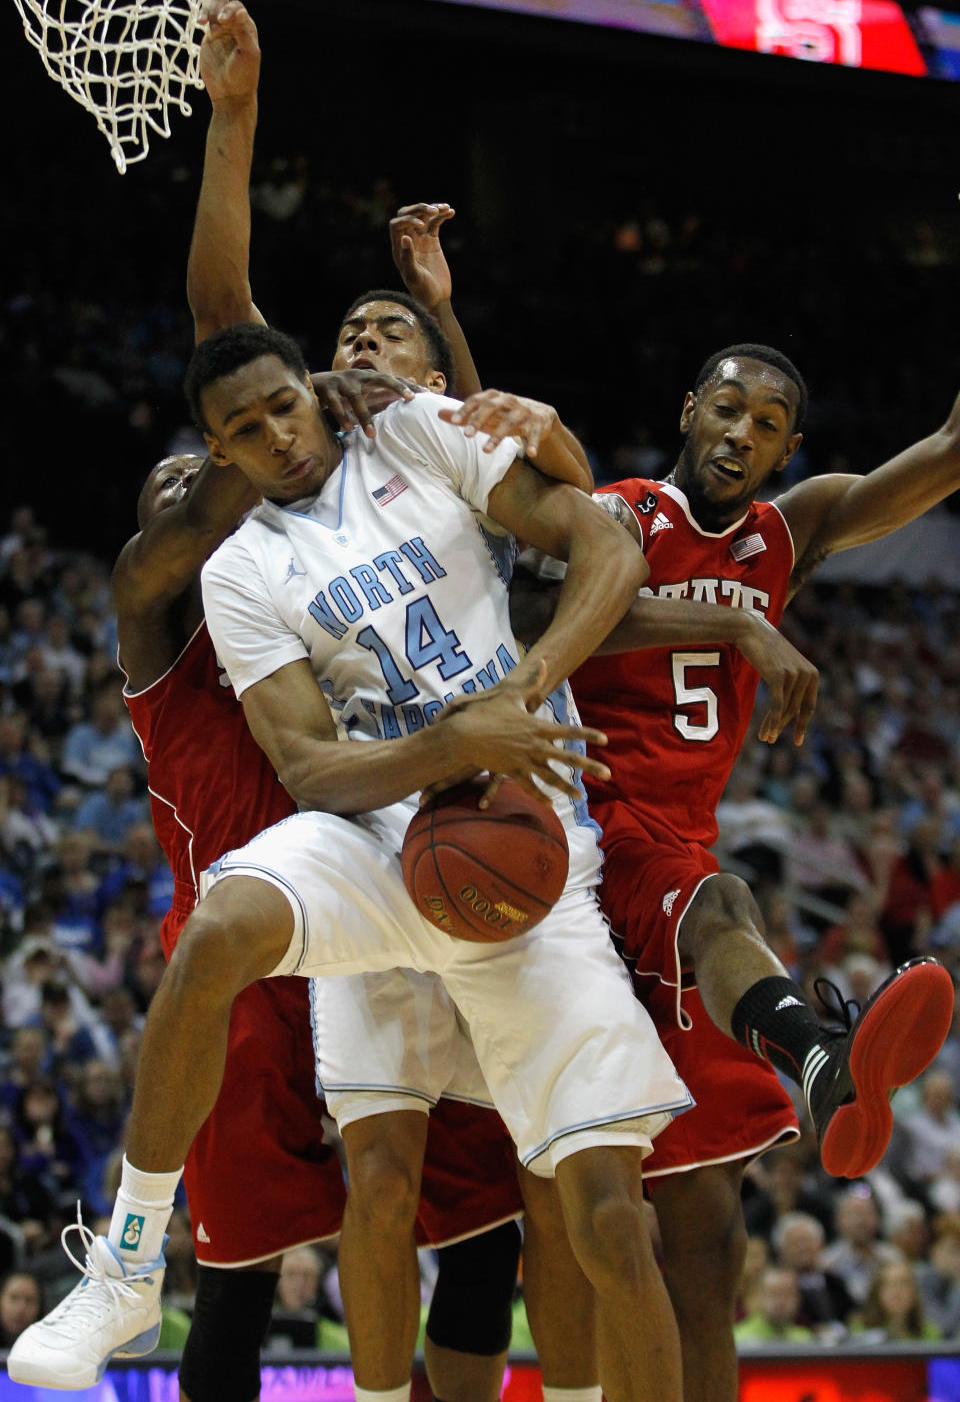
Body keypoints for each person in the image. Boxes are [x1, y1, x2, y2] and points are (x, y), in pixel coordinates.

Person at [10, 309, 695, 1402]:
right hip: (384, 835)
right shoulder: (239, 570)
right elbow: (312, 767)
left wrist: (517, 696)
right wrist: (449, 742)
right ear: (217, 454)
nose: (275, 435)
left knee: (609, 1212)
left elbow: (606, 544)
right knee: (218, 929)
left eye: (284, 406)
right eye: (242, 429)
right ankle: (131, 1260)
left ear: (315, 394)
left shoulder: (415, 431)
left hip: (525, 849)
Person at [514, 340, 956, 1401]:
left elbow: (948, 449)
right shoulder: (618, 513)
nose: (739, 433)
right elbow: (541, 619)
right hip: (593, 832)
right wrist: (738, 628)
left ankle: (812, 1059)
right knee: (726, 900)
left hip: (681, 849)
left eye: (766, 424)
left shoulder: (784, 534)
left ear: (787, 449)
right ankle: (817, 1057)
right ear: (688, 409)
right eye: (725, 409)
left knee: (709, 1247)